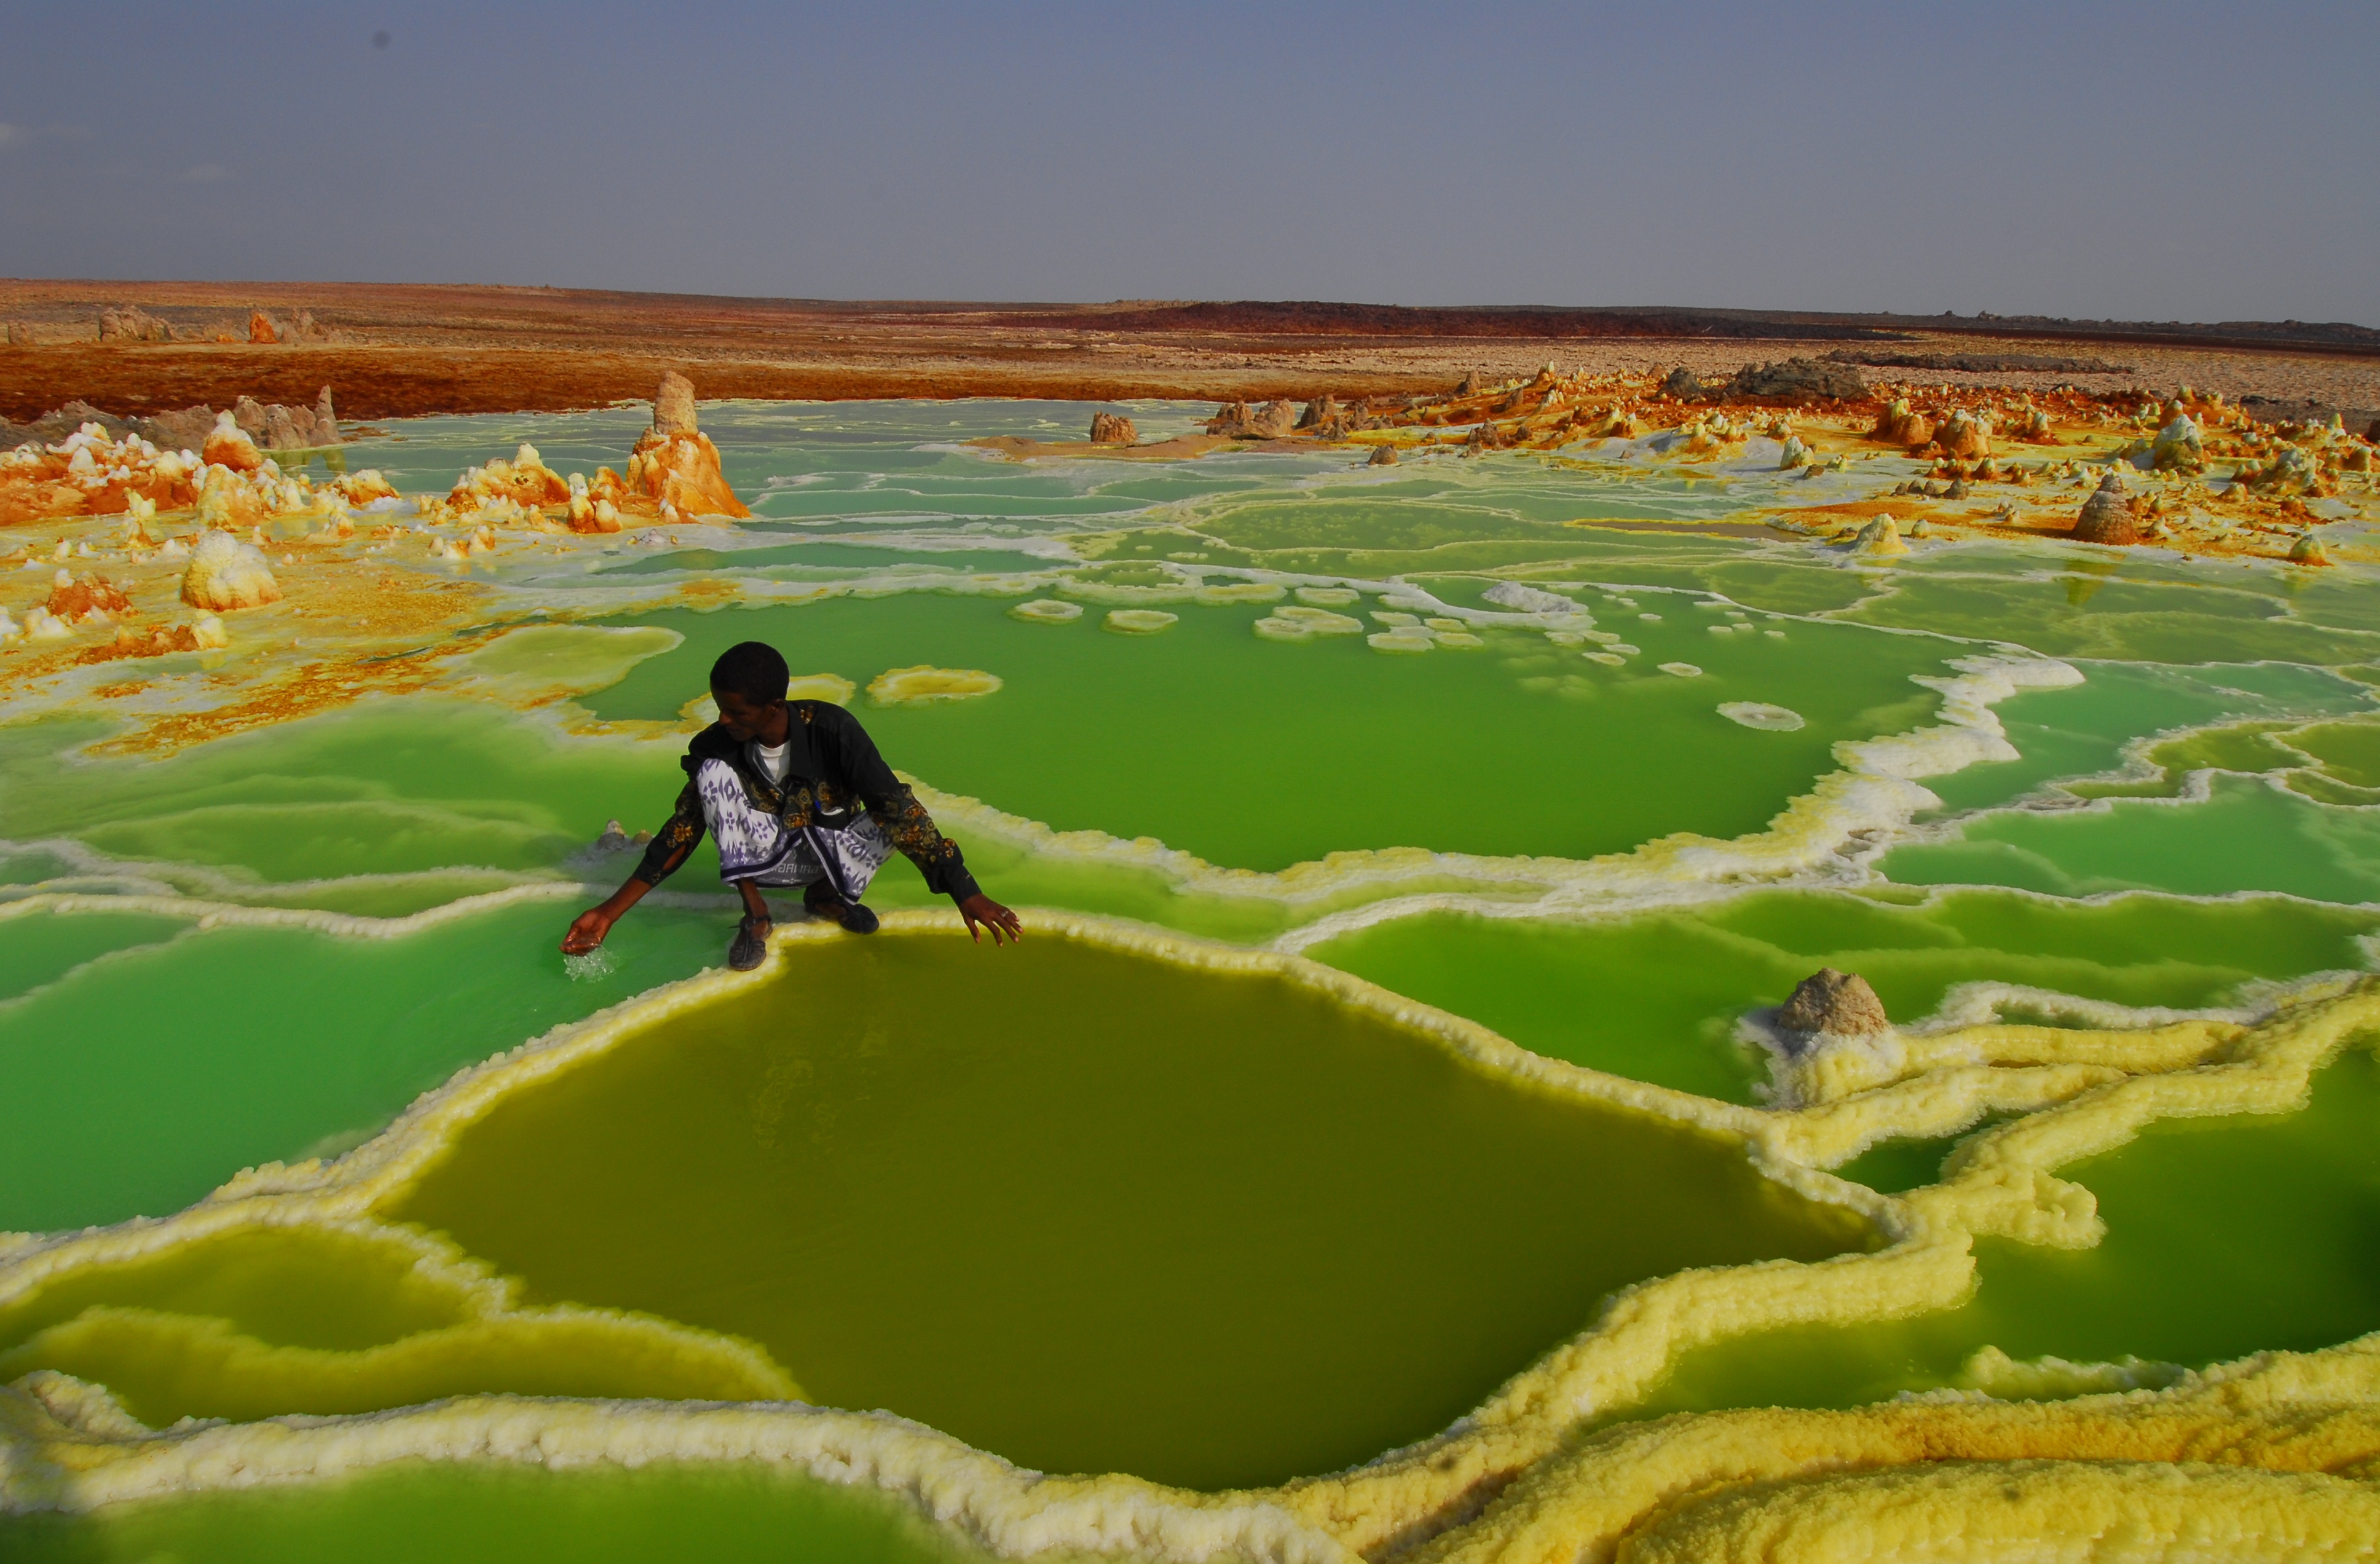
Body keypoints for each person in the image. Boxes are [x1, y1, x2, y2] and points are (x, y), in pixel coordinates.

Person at [562, 641, 1022, 968]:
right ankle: (756, 915)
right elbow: (681, 833)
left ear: (774, 706)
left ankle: (823, 897)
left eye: (736, 712)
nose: (723, 720)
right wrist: (608, 912)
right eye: (720, 707)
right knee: (712, 777)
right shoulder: (717, 746)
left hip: (827, 855)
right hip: (759, 860)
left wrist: (966, 890)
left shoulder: (831, 730)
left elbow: (894, 807)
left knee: (896, 809)